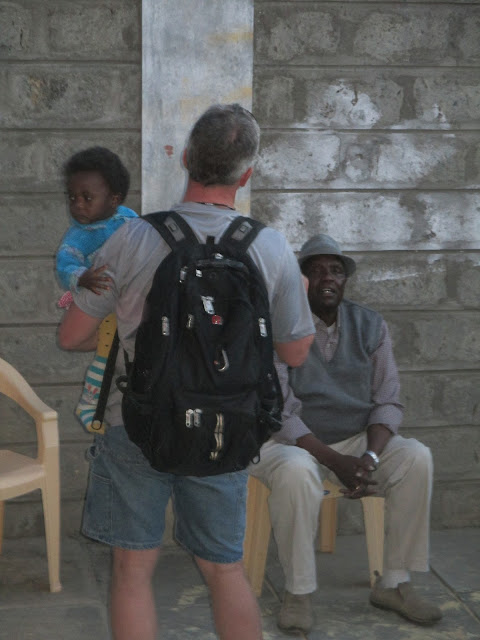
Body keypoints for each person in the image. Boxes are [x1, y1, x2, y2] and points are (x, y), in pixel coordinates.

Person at [58, 103, 315, 640]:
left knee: (132, 569)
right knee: (224, 569)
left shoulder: (133, 238)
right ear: (246, 174)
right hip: (226, 427)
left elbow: (72, 337)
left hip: (137, 422)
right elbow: (295, 354)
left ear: (187, 160)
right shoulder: (270, 247)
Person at [249, 233, 443, 633]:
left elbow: (387, 400)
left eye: (336, 270)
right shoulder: (279, 325)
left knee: (416, 457)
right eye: (316, 270)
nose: (328, 278)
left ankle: (394, 583)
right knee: (295, 471)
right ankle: (298, 592)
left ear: (345, 280)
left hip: (352, 439)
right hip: (285, 442)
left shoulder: (370, 324)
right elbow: (279, 412)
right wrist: (335, 461)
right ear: (301, 280)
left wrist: (369, 457)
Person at [56, 146, 137, 432]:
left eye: (87, 197)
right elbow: (65, 264)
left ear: (114, 199)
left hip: (126, 302)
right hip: (98, 302)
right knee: (106, 356)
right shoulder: (79, 235)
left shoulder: (130, 219)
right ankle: (92, 405)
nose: (78, 205)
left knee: (120, 354)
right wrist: (82, 277)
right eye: (72, 197)